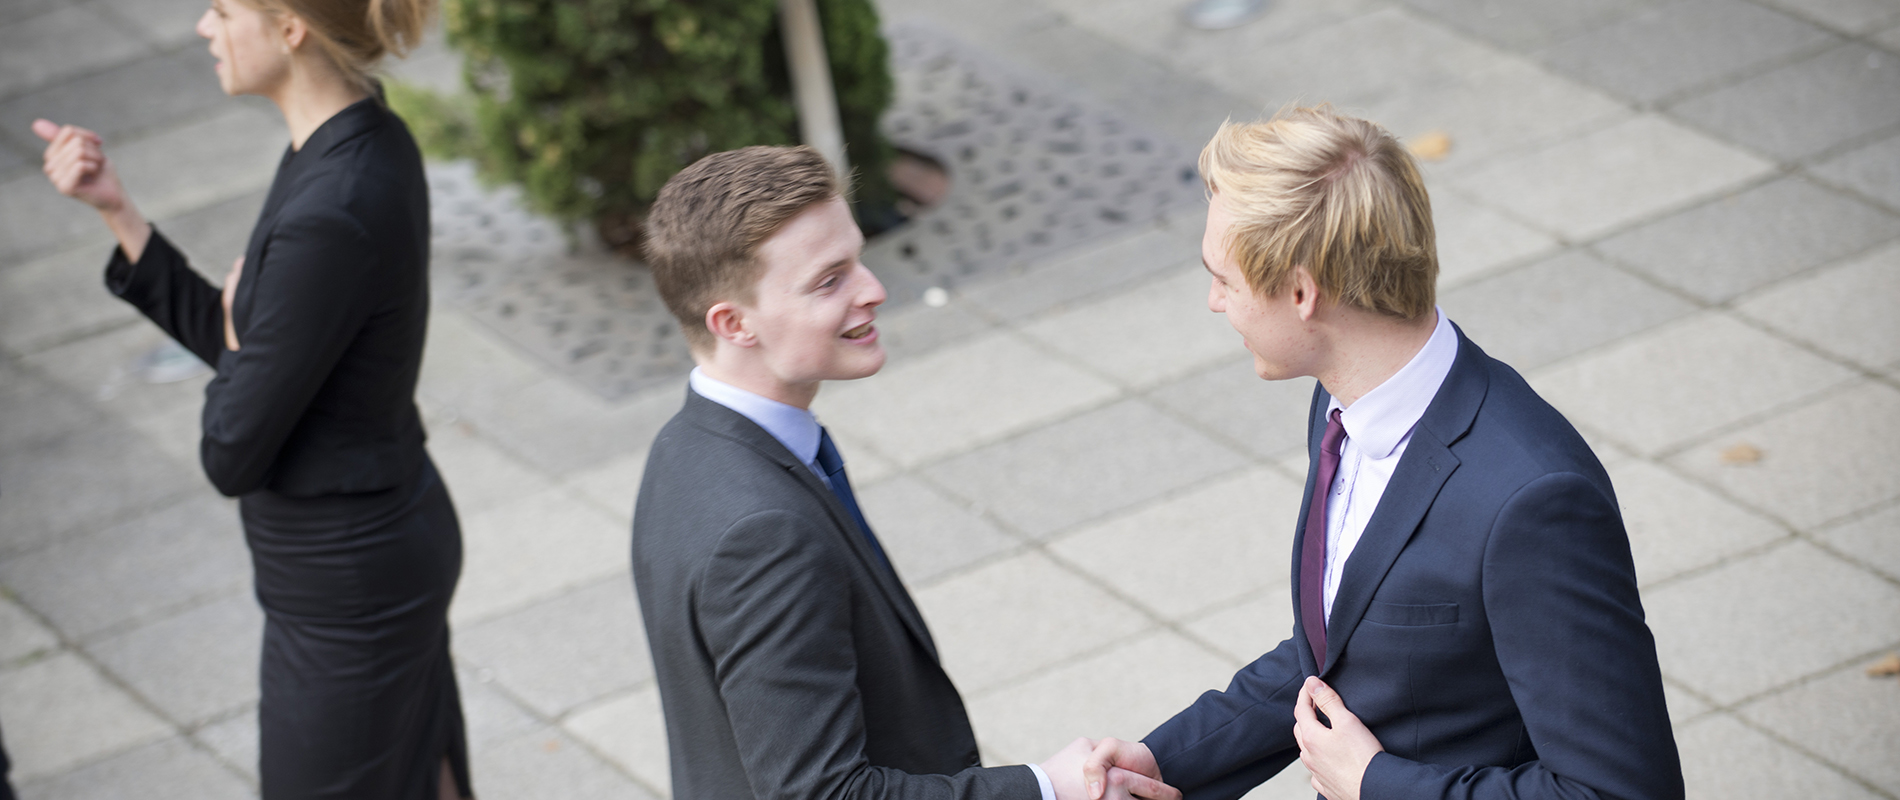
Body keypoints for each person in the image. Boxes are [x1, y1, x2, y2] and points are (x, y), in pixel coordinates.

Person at [1077, 107, 1683, 800]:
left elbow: (1623, 792)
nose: (1215, 302)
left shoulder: (1531, 502)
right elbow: (1346, 652)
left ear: (1302, 293)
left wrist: (1376, 784)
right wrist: (1167, 760)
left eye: (1225, 280)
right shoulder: (1339, 406)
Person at [632, 145, 1174, 800]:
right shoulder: (765, 534)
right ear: (733, 322)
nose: (874, 289)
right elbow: (823, 792)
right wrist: (1046, 789)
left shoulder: (683, 449)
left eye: (857, 258)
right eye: (829, 280)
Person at [32, 0, 470, 797]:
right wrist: (117, 211)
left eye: (223, 9)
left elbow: (230, 448)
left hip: (348, 589)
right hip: (375, 549)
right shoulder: (357, 134)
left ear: (291, 26)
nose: (205, 27)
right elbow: (274, 355)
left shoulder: (330, 206)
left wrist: (238, 341)